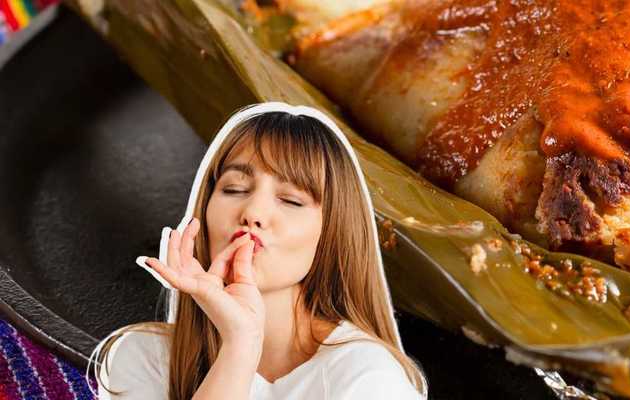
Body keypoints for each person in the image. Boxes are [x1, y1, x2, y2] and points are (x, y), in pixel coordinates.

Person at [91, 102, 427, 399]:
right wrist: (240, 344)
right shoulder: (142, 355)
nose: (253, 212)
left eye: (291, 200)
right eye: (234, 189)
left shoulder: (368, 377)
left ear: (332, 233)